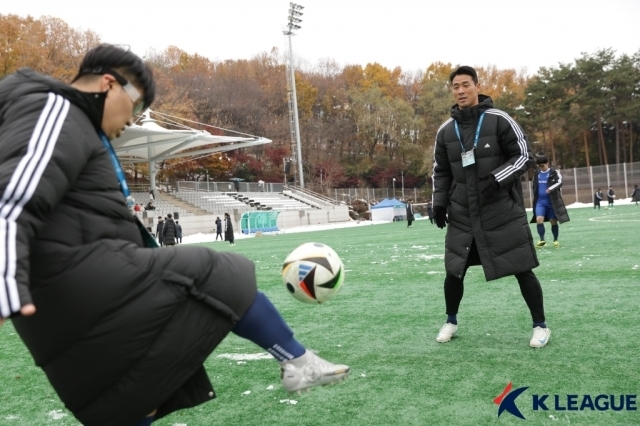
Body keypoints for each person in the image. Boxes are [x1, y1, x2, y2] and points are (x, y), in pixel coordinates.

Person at [0, 44, 350, 426]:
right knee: (220, 273)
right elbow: (13, 196)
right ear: (108, 84)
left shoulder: (70, 128)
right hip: (73, 279)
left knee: (130, 392)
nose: (132, 122)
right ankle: (298, 361)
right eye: (134, 108)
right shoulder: (56, 109)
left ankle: (297, 361)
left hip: (56, 304)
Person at [432, 66, 550, 348]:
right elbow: (441, 171)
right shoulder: (446, 130)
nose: (460, 90)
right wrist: (438, 203)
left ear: (476, 86)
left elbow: (523, 156)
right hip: (462, 212)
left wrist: (496, 179)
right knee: (454, 270)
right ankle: (451, 320)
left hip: (501, 210)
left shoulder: (499, 120)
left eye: (465, 85)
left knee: (522, 267)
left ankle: (540, 326)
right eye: (455, 86)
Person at [530, 155, 570, 248]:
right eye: (539, 166)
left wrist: (550, 189)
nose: (541, 168)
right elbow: (534, 185)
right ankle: (542, 240)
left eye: (542, 166)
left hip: (551, 202)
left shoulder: (554, 172)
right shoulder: (537, 174)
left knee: (553, 221)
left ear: (547, 164)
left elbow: (560, 182)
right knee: (539, 220)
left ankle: (555, 240)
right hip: (540, 202)